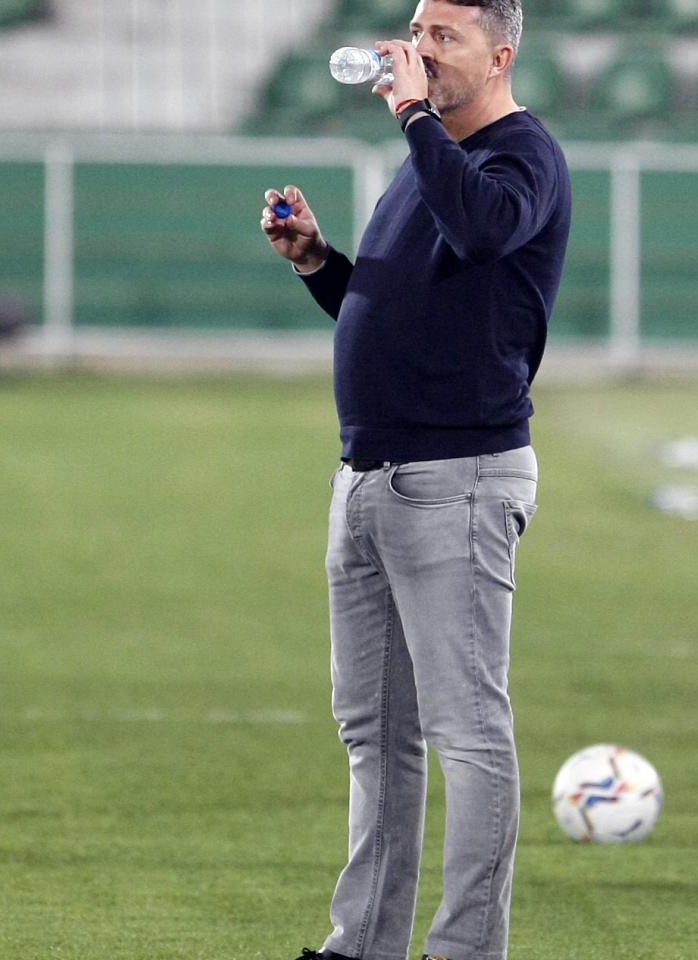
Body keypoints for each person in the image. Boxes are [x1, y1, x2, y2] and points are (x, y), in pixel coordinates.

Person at [260, 0, 570, 956]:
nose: (421, 50)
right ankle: (363, 946)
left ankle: (467, 950)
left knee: (468, 734)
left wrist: (413, 118)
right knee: (374, 736)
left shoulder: (522, 156)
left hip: (459, 479)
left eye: (445, 37)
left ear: (501, 52)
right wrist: (320, 264)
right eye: (417, 33)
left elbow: (481, 231)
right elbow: (396, 303)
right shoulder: (427, 159)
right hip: (369, 480)